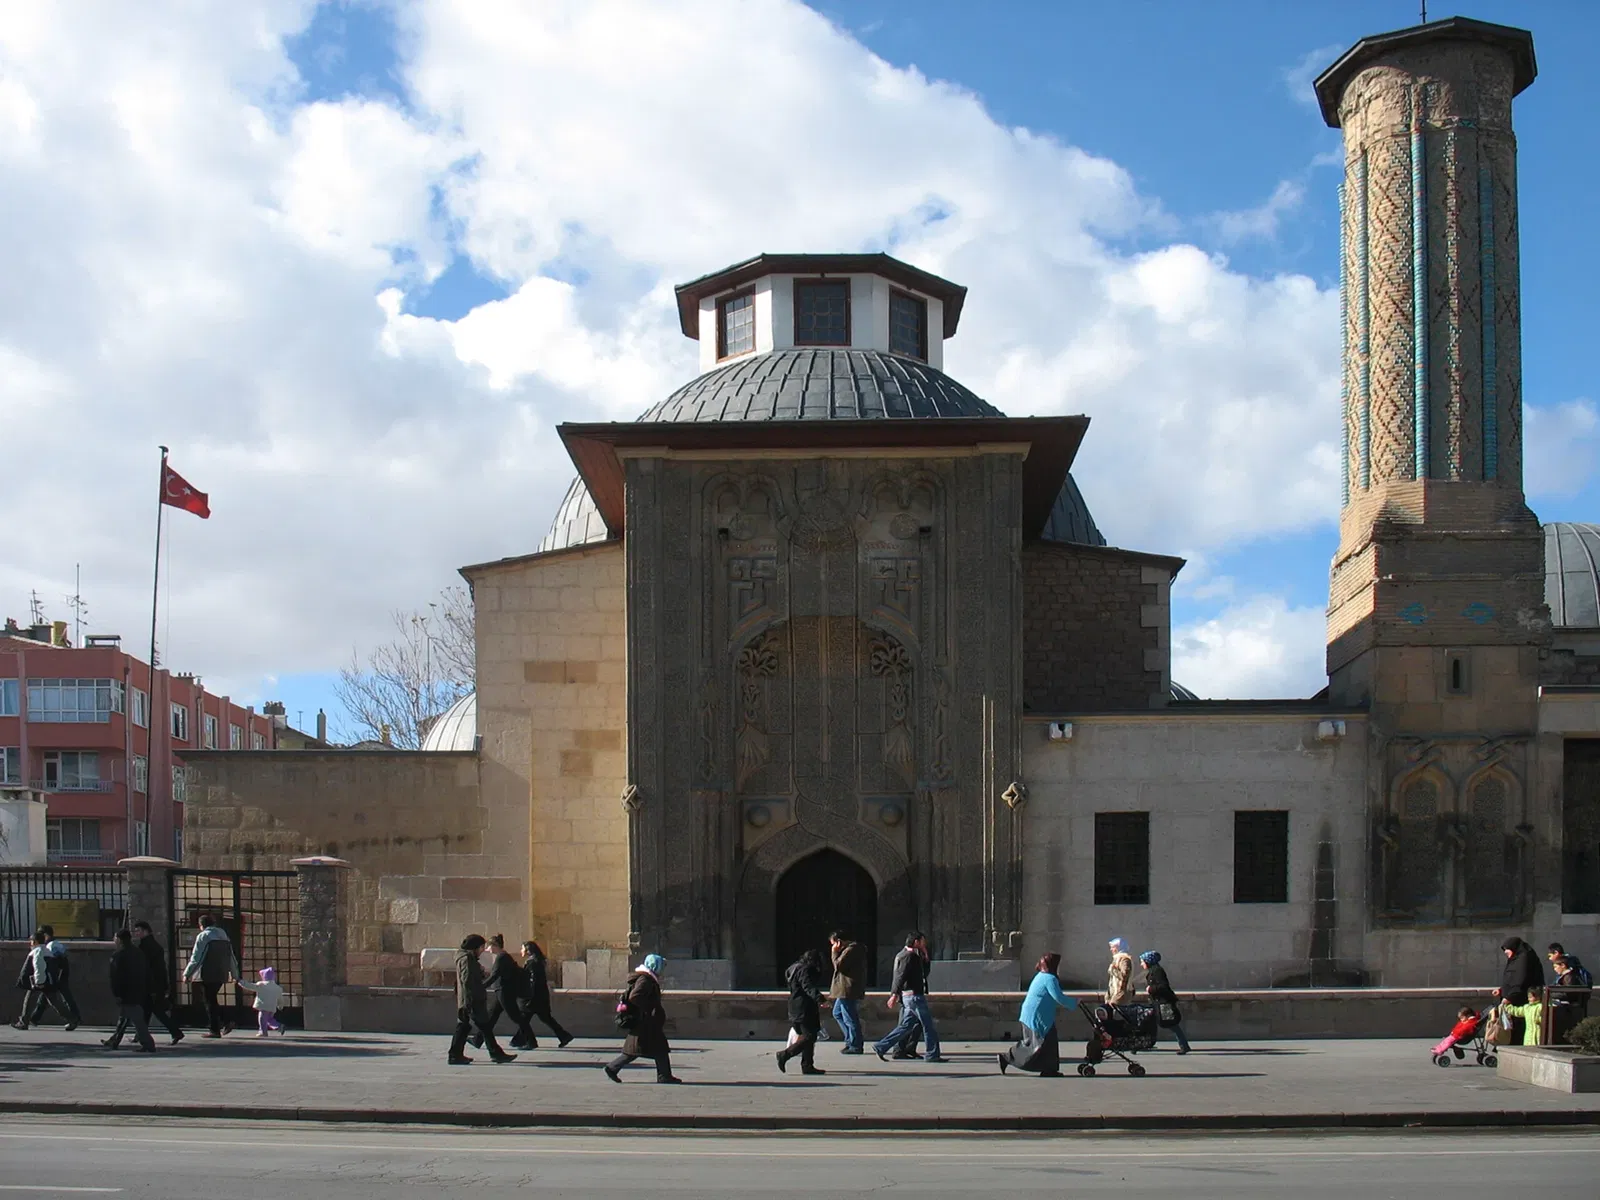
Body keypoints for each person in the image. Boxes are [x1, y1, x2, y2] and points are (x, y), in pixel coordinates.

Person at [998, 953, 1077, 1077]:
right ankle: (1007, 1057)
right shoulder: (1050, 979)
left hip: (1032, 1015)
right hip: (1038, 1017)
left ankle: (1049, 1069)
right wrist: (1074, 1002)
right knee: (1036, 1045)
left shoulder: (1040, 976)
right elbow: (1058, 997)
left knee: (1044, 1042)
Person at [605, 953, 680, 1083]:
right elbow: (635, 996)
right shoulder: (646, 980)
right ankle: (664, 1075)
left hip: (646, 1022)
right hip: (646, 1022)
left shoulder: (646, 978)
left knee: (644, 1049)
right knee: (654, 1048)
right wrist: (649, 1009)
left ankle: (613, 1067)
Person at [872, 932, 945, 1064]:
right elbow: (900, 976)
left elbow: (923, 973)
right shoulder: (909, 956)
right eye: (922, 941)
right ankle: (932, 1054)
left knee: (906, 1026)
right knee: (928, 1026)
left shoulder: (909, 955)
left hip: (910, 997)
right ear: (916, 942)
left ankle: (881, 1046)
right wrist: (894, 994)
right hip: (914, 996)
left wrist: (926, 957)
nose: (924, 944)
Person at [448, 934, 515, 1065]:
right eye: (481, 947)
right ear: (475, 947)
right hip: (472, 999)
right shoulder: (467, 959)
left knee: (478, 1027)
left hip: (471, 998)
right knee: (468, 1026)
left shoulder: (468, 958)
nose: (483, 950)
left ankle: (494, 1053)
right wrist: (469, 1000)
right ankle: (455, 1055)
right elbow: (467, 979)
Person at [473, 934, 537, 1051]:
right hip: (501, 991)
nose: (487, 949)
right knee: (491, 1017)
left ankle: (531, 1041)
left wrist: (480, 987)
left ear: (495, 946)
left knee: (516, 1017)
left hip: (504, 992)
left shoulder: (502, 957)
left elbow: (494, 976)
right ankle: (477, 1040)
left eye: (489, 946)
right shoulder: (503, 957)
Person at [182, 913, 241, 1038]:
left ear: (201, 925)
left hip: (207, 972)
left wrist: (187, 973)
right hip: (222, 973)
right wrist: (235, 974)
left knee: (209, 1001)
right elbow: (231, 956)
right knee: (212, 999)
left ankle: (216, 1028)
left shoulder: (203, 936)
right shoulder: (224, 936)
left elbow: (197, 957)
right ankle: (225, 1021)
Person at [131, 920, 184, 1044]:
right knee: (148, 1011)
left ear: (145, 931)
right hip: (155, 984)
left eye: (138, 931)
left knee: (155, 1011)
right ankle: (140, 1035)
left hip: (151, 985)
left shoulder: (146, 947)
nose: (136, 933)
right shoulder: (152, 945)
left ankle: (175, 1032)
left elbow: (150, 968)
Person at [776, 948, 826, 1075]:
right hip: (804, 1007)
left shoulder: (793, 968)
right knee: (809, 1036)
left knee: (808, 1035)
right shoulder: (805, 970)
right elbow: (807, 986)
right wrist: (820, 998)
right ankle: (785, 1054)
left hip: (795, 1005)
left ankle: (807, 1065)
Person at [103, 929, 155, 1052]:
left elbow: (115, 977)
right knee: (124, 1017)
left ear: (119, 939)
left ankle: (148, 1044)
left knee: (137, 1020)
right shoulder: (139, 953)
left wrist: (117, 993)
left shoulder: (118, 955)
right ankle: (114, 1041)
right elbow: (147, 972)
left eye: (115, 938)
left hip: (126, 992)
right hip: (139, 990)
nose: (114, 940)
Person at [12, 930, 74, 1029]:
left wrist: (38, 981)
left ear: (35, 942)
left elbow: (39, 966)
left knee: (29, 1001)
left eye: (31, 941)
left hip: (38, 981)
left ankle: (23, 1022)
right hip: (47, 981)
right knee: (55, 1002)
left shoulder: (37, 951)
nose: (30, 944)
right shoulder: (47, 951)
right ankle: (72, 1020)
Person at [518, 941, 574, 1048]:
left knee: (523, 1020)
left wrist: (529, 996)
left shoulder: (532, 962)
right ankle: (564, 1036)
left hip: (534, 997)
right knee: (544, 1019)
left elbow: (533, 981)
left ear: (528, 950)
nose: (521, 951)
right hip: (541, 996)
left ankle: (526, 1041)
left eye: (522, 948)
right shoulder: (537, 961)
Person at [1492, 937, 1545, 1044]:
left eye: (1507, 949)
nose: (1505, 952)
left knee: (1518, 1028)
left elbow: (1521, 980)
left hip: (1520, 999)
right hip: (1512, 998)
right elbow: (1511, 978)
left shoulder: (1524, 959)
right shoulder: (1516, 959)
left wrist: (1510, 997)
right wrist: (1502, 990)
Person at [1140, 951, 1191, 1054]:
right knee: (1149, 1022)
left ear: (1148, 961)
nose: (1141, 964)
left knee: (1172, 1024)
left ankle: (1184, 1046)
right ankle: (1141, 1044)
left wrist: (1150, 989)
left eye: (1142, 961)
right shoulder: (1153, 970)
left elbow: (1163, 986)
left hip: (1163, 1003)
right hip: (1157, 1003)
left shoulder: (1157, 971)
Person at [828, 931, 866, 1054]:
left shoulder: (851, 950)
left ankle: (855, 1044)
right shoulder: (849, 950)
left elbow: (838, 965)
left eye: (834, 944)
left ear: (839, 941)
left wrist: (834, 952)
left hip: (847, 989)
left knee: (850, 1017)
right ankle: (850, 1040)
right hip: (844, 989)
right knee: (837, 1013)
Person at [39, 928, 82, 1029]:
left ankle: (74, 1018)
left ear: (46, 935)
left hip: (57, 974)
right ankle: (33, 1018)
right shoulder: (56, 944)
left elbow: (53, 961)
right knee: (49, 997)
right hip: (61, 973)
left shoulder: (51, 946)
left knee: (59, 998)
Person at [1550, 955, 1591, 1042]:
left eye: (1556, 967)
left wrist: (1552, 994)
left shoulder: (1569, 977)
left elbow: (1568, 993)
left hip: (1568, 1009)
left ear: (1563, 965)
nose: (1554, 969)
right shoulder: (1566, 976)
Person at [236, 967, 285, 1037]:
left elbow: (250, 986)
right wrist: (280, 1006)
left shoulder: (261, 985)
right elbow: (280, 999)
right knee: (269, 1019)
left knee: (262, 1019)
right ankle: (279, 1026)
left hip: (263, 1006)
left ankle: (263, 1032)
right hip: (272, 1007)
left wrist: (241, 982)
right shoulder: (278, 988)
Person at [1106, 938, 1134, 1005]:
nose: (1111, 949)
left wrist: (1113, 970)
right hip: (1115, 993)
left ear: (1118, 948)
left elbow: (1124, 976)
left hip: (1121, 994)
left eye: (1113, 947)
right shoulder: (1117, 958)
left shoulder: (1124, 959)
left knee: (1117, 1011)